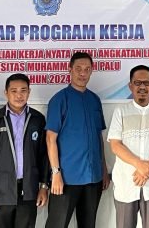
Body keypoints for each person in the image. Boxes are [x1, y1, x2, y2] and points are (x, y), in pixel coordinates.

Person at [45, 52, 110, 228]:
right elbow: (50, 139)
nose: (83, 73)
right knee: (57, 224)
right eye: (79, 69)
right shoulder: (59, 100)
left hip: (93, 177)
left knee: (88, 224)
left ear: (91, 71)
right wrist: (56, 173)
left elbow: (98, 137)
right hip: (66, 178)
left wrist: (103, 169)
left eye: (87, 69)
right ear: (70, 70)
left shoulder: (94, 100)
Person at [108, 65, 149, 228]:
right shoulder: (120, 112)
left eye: (147, 83)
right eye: (137, 83)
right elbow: (115, 145)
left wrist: (147, 169)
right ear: (130, 86)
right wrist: (139, 165)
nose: (142, 87)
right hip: (126, 182)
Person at [0, 73, 49, 228]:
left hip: (29, 191)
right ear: (6, 93)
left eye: (23, 90)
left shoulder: (38, 120)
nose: (19, 95)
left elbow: (44, 157)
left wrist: (44, 187)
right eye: (14, 91)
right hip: (0, 192)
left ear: (29, 92)